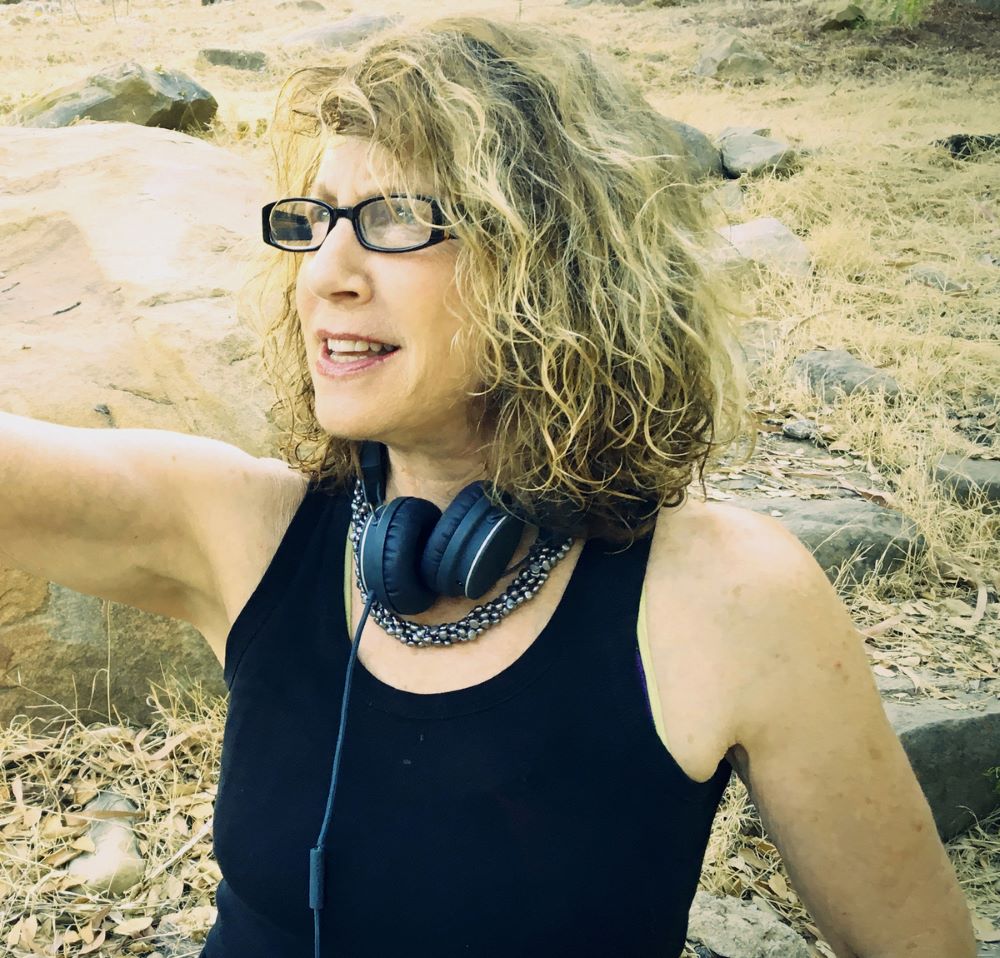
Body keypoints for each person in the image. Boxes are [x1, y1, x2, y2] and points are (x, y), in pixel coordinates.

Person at [0, 15, 977, 958]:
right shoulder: (235, 528)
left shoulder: (734, 598)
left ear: (553, 264)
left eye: (392, 219)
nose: (325, 273)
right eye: (318, 220)